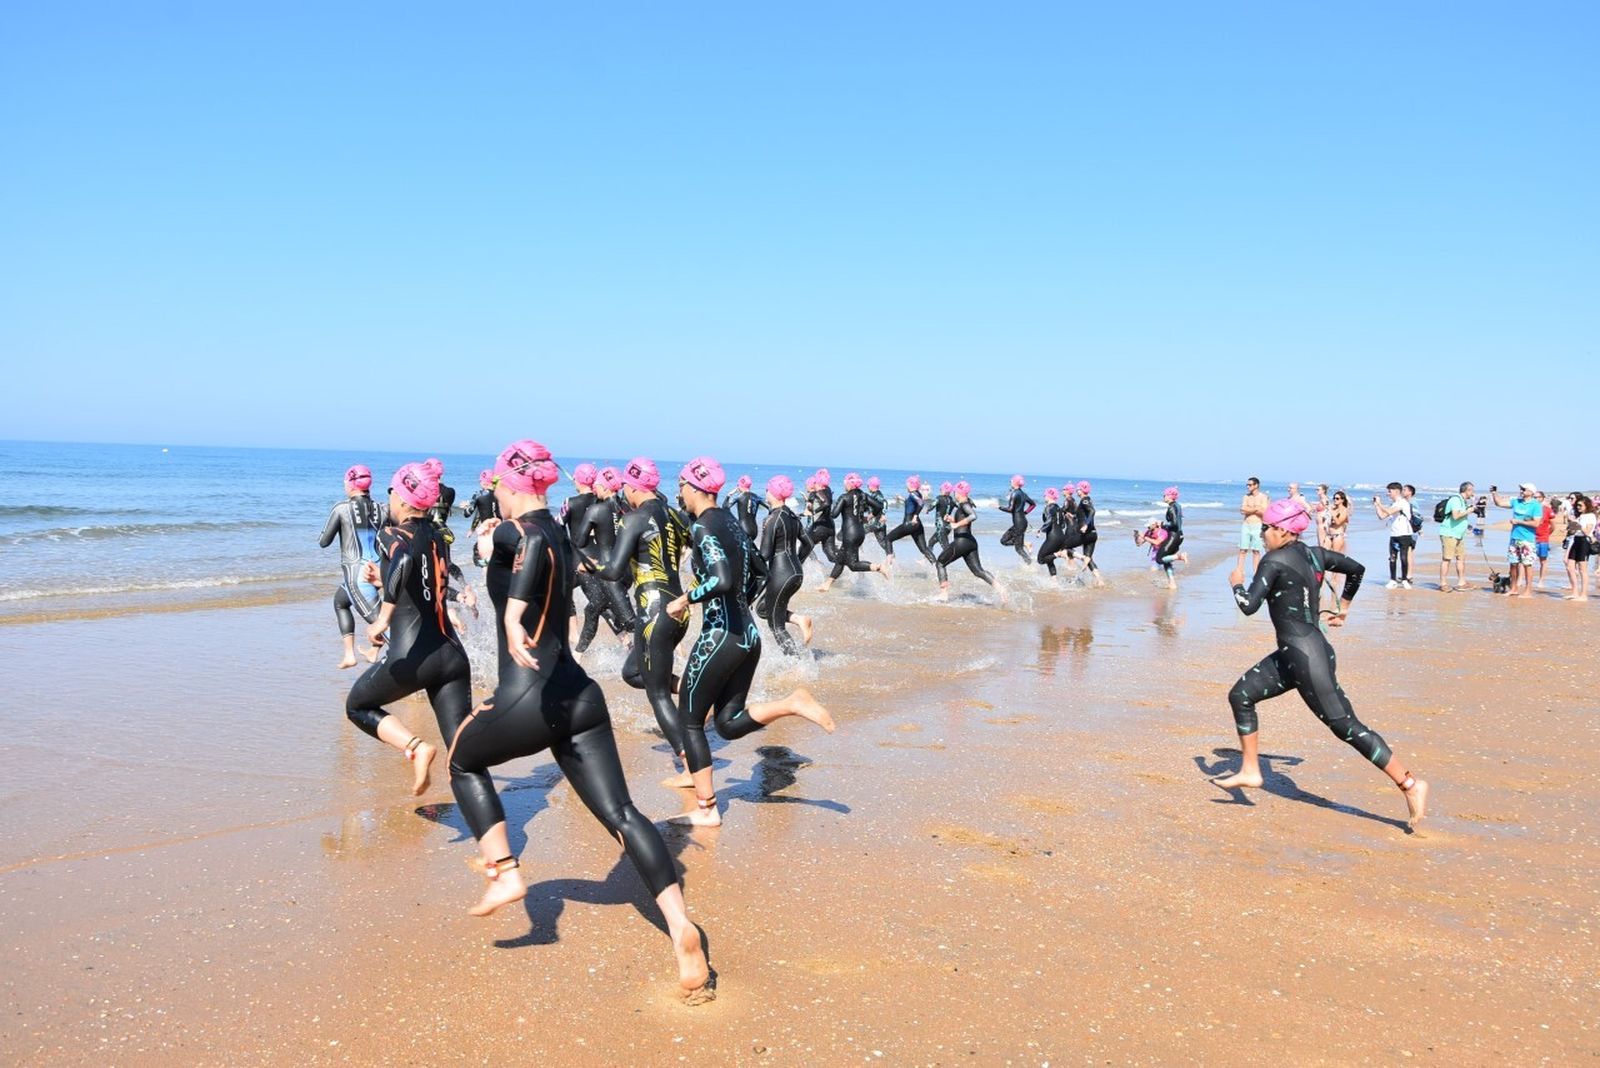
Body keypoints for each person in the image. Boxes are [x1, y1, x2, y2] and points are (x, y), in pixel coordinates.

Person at [448, 442, 710, 998]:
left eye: (497, 482)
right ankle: (681, 927)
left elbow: (519, 551)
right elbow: (530, 549)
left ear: (511, 484)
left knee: (462, 759)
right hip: (583, 698)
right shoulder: (561, 537)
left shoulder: (527, 534)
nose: (492, 490)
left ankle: (505, 873)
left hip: (532, 698)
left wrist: (514, 615)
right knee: (622, 813)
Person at [1214, 499, 1429, 829]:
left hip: (1306, 657)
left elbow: (1248, 606)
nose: (1262, 535)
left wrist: (1236, 583)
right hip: (1298, 654)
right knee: (1241, 695)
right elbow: (1356, 570)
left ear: (1284, 531)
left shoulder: (1272, 561)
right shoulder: (1313, 554)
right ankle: (1251, 770)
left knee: (1346, 726)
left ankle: (1411, 785)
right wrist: (1343, 608)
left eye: (1267, 529)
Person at [665, 457, 836, 828]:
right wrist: (738, 603)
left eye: (680, 485)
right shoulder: (728, 520)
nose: (678, 492)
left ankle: (707, 808)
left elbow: (723, 579)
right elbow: (759, 568)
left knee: (690, 721)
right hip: (748, 636)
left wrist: (684, 600)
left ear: (694, 487)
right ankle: (792, 702)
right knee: (727, 723)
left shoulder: (703, 527)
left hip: (720, 635)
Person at [343, 459, 471, 798]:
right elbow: (425, 590)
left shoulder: (391, 533)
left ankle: (415, 746)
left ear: (400, 499)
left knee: (357, 706)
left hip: (414, 657)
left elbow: (402, 561)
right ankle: (495, 847)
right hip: (452, 655)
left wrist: (383, 617)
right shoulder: (439, 537)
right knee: (464, 756)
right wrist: (384, 584)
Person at [595, 457, 693, 777]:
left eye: (625, 486)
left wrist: (583, 561)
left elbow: (614, 571)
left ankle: (690, 761)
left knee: (657, 694)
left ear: (633, 486)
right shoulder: (675, 515)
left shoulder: (634, 519)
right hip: (679, 608)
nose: (623, 491)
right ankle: (698, 688)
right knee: (633, 672)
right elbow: (701, 550)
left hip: (653, 611)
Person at [320, 463, 387, 669]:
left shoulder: (341, 509)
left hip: (357, 576)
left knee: (382, 627)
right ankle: (351, 654)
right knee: (340, 602)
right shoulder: (382, 508)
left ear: (350, 484)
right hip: (379, 572)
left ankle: (417, 672)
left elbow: (324, 541)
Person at [572, 466, 636, 650]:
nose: (595, 489)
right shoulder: (627, 509)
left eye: (597, 485)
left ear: (606, 487)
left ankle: (647, 654)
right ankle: (579, 655)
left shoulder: (595, 510)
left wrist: (594, 532)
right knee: (594, 608)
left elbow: (579, 540)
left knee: (629, 621)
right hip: (627, 573)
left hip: (609, 574)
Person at [756, 475, 813, 653]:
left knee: (776, 626)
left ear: (772, 493)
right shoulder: (792, 516)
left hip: (781, 574)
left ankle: (796, 664)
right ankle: (799, 619)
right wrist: (798, 562)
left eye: (767, 489)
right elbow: (809, 544)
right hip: (795, 573)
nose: (766, 492)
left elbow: (764, 554)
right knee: (763, 609)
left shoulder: (773, 518)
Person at [818, 472, 888, 591]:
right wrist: (870, 516)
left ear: (848, 484)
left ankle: (879, 567)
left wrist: (824, 506)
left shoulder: (844, 497)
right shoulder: (864, 495)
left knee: (853, 565)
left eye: (845, 483)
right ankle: (827, 584)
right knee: (840, 559)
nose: (844, 485)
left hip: (849, 535)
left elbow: (834, 515)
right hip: (860, 533)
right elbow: (879, 506)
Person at [934, 481, 1003, 601]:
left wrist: (956, 525)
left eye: (955, 491)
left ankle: (944, 594)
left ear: (958, 493)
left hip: (962, 541)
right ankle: (1000, 589)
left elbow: (973, 516)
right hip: (970, 542)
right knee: (978, 571)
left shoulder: (964, 504)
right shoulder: (964, 504)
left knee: (940, 563)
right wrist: (952, 520)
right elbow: (964, 520)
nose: (954, 493)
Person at [1490, 483, 1543, 597]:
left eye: (1524, 489)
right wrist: (1494, 493)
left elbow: (1536, 523)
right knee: (1513, 564)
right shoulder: (1516, 501)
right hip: (1514, 538)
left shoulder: (1535, 505)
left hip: (1527, 540)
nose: (1521, 491)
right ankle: (1513, 588)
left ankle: (1528, 591)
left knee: (1527, 565)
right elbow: (1499, 503)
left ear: (1531, 492)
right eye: (1521, 489)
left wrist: (1519, 522)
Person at [884, 475, 938, 567]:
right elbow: (912, 504)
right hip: (917, 525)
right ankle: (938, 568)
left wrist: (915, 516)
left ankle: (889, 564)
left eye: (907, 485)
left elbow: (921, 503)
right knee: (924, 549)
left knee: (888, 539)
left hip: (909, 523)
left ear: (912, 485)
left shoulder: (913, 494)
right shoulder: (917, 494)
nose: (906, 486)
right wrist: (902, 499)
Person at [1373, 482, 1414, 589]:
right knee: (1392, 557)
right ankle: (1392, 580)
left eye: (1389, 491)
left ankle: (1404, 579)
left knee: (1403, 557)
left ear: (1396, 491)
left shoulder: (1403, 502)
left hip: (1404, 534)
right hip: (1394, 534)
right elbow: (1382, 516)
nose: (1388, 494)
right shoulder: (1394, 504)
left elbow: (1389, 511)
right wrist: (1377, 505)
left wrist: (1380, 503)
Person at [1437, 481, 1474, 592]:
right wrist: (1469, 511)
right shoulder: (1456, 500)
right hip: (1449, 533)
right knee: (1447, 558)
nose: (1473, 492)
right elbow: (1456, 516)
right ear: (1466, 490)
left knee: (1461, 558)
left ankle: (1461, 582)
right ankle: (1443, 583)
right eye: (1471, 490)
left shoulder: (1463, 501)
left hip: (1459, 534)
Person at [461, 470, 501, 566]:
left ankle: (488, 575)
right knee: (496, 554)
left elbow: (467, 513)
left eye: (480, 481)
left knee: (478, 559)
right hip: (500, 530)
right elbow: (480, 512)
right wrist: (472, 529)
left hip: (486, 533)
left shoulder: (479, 494)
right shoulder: (500, 493)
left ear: (484, 482)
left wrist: (466, 507)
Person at [802, 470, 839, 565]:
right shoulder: (828, 490)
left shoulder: (817, 493)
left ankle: (796, 575)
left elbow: (826, 503)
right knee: (831, 556)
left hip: (820, 526)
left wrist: (813, 511)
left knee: (804, 548)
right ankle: (849, 565)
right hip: (830, 526)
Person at [1564, 495, 1594, 602]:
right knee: (1570, 566)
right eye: (1577, 505)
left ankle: (1584, 595)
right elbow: (1572, 531)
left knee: (1582, 569)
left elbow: (1587, 531)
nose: (1578, 507)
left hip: (1584, 542)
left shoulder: (1590, 516)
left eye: (1580, 505)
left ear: (1587, 505)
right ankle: (1575, 592)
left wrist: (1577, 523)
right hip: (1575, 540)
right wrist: (1571, 524)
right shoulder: (1579, 516)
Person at [999, 475, 1036, 561]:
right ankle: (1026, 544)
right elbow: (1033, 504)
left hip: (1019, 524)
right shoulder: (1023, 493)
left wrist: (998, 507)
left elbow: (1010, 509)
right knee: (1004, 541)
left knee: (1018, 549)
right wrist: (1025, 513)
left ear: (1015, 482)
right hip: (1021, 523)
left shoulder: (1014, 493)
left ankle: (1029, 564)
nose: (1010, 482)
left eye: (1011, 481)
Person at [1074, 481, 1104, 586]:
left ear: (1082, 490)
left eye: (1077, 489)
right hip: (1092, 533)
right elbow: (1085, 514)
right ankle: (1099, 580)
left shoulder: (1084, 500)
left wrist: (1085, 525)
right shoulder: (1088, 500)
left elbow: (1092, 511)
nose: (1076, 491)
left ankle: (1080, 565)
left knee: (1064, 546)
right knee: (1089, 558)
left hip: (1087, 534)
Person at [1156, 486, 1185, 589]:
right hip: (1179, 535)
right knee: (1166, 560)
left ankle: (1180, 557)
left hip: (1174, 536)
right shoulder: (1177, 506)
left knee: (1159, 559)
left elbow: (1175, 524)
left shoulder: (1172, 507)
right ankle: (1172, 583)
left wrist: (1163, 525)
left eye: (1164, 495)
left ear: (1170, 496)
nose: (1163, 497)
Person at [1238, 476, 1269, 574]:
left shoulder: (1263, 497)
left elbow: (1264, 512)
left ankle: (1256, 572)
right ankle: (1239, 570)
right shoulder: (1246, 497)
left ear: (1256, 485)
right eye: (1247, 485)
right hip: (1246, 525)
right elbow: (1242, 510)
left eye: (1250, 485)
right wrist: (1256, 509)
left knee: (1256, 551)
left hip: (1257, 525)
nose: (1248, 487)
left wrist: (1250, 510)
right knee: (1243, 549)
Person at [1035, 488, 1068, 576]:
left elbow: (1049, 520)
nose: (1044, 496)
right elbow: (1063, 524)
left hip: (1053, 537)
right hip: (1061, 536)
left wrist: (1041, 529)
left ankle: (1060, 554)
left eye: (1045, 495)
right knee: (1050, 559)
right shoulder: (1058, 508)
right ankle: (1054, 581)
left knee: (1041, 559)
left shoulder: (1049, 507)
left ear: (1049, 496)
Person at [723, 474, 766, 542]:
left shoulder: (739, 496)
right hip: (754, 531)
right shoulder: (756, 497)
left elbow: (725, 507)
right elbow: (770, 507)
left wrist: (729, 495)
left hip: (743, 529)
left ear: (739, 486)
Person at [1534, 492, 1557, 588]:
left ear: (1542, 498)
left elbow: (1553, 526)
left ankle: (1541, 581)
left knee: (1543, 560)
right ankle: (1520, 580)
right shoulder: (1530, 509)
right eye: (1534, 497)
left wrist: (1546, 534)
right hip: (1531, 538)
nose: (1535, 499)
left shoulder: (1547, 510)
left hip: (1543, 538)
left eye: (1537, 497)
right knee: (1525, 561)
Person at [864, 476, 891, 555]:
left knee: (859, 533)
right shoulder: (874, 495)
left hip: (876, 523)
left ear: (872, 486)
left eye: (868, 485)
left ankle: (858, 552)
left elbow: (885, 502)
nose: (867, 487)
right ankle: (891, 557)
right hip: (878, 524)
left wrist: (883, 514)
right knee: (883, 543)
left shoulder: (877, 495)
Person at [929, 481, 956, 555]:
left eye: (941, 489)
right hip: (948, 527)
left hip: (941, 528)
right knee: (931, 542)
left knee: (946, 548)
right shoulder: (952, 500)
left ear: (944, 490)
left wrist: (928, 509)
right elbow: (960, 506)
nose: (940, 490)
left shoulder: (939, 498)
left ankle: (947, 561)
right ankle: (925, 560)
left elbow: (932, 504)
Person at [1320, 490, 1350, 555]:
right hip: (1329, 535)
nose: (1335, 500)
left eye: (1337, 498)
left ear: (1342, 500)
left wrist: (1332, 512)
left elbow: (1338, 522)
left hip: (1337, 535)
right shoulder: (1333, 509)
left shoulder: (1344, 510)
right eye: (1334, 498)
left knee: (1335, 556)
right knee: (1324, 553)